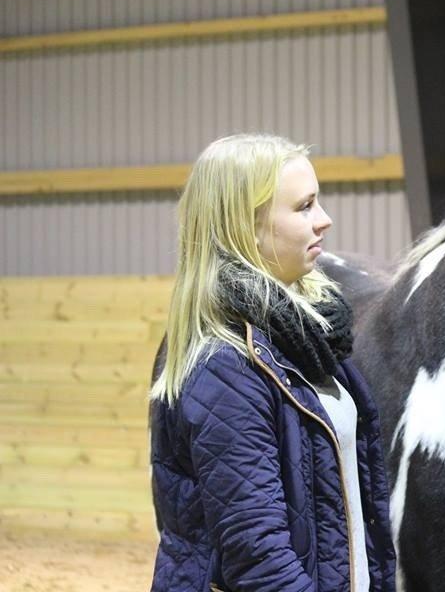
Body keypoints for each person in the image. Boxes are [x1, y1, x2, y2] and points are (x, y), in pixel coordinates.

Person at [149, 133, 396, 592]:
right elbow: (259, 560)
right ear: (248, 225)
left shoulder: (307, 342)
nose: (324, 221)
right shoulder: (226, 370)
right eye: (304, 207)